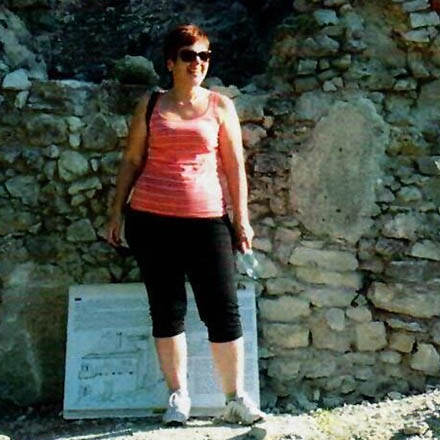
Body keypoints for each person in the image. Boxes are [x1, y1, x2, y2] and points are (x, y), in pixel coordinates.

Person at [106, 24, 265, 426]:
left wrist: (242, 220)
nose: (197, 63)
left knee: (223, 310)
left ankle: (235, 398)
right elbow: (131, 160)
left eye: (204, 56)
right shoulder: (151, 104)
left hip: (207, 221)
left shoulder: (220, 106)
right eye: (189, 56)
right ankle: (178, 397)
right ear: (170, 62)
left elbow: (234, 168)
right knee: (166, 310)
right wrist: (115, 212)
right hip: (151, 219)